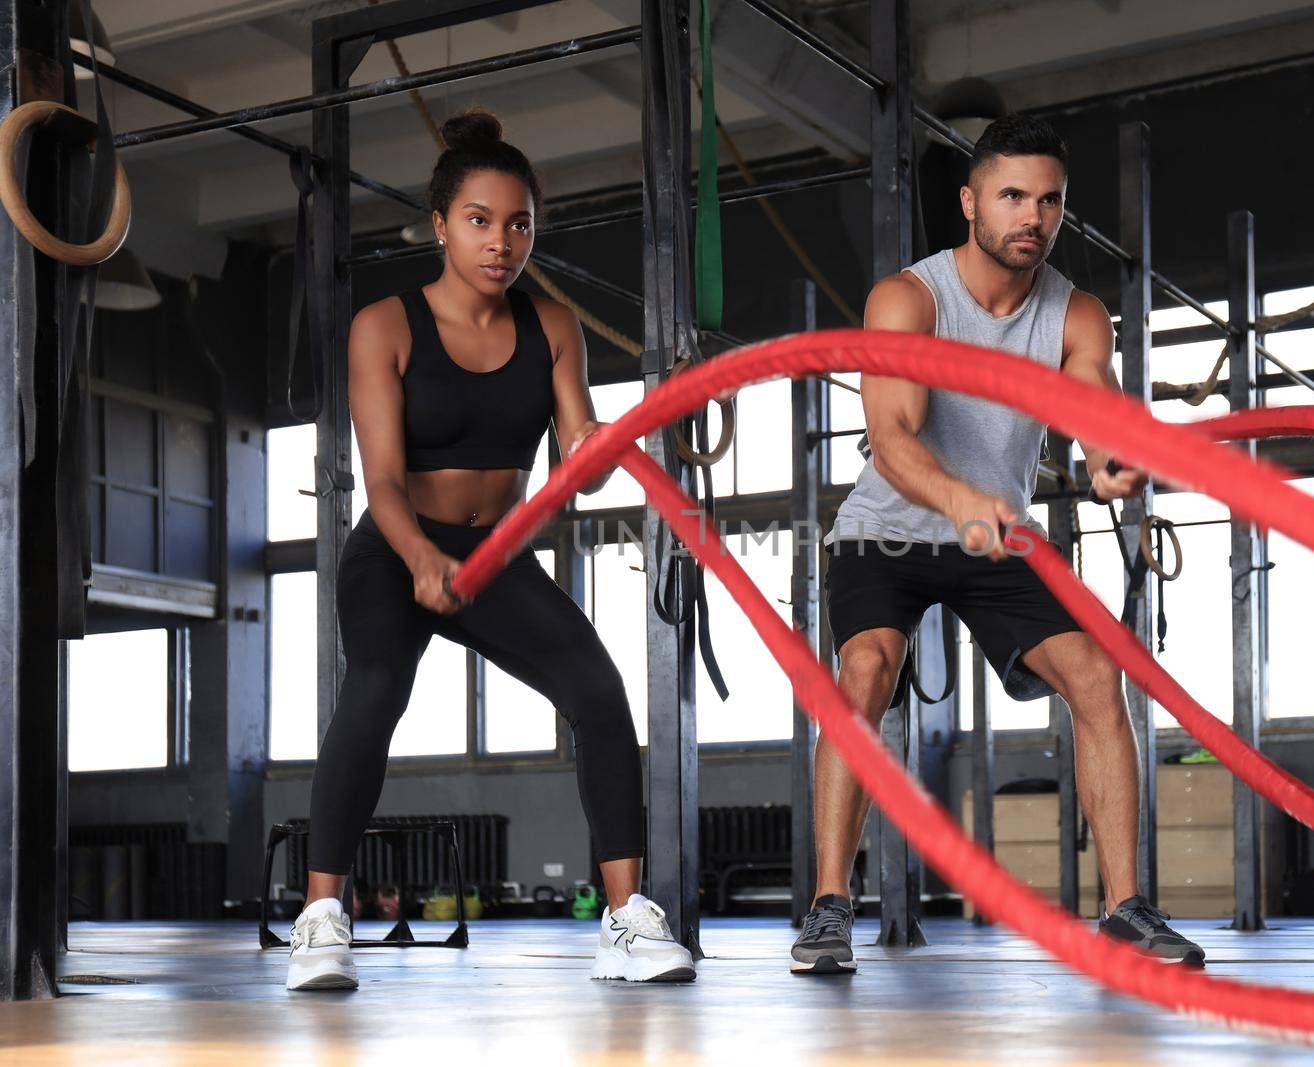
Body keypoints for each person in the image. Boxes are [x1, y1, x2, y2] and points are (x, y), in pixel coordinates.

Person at [288, 108, 693, 991]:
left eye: (520, 224)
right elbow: (383, 483)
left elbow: (577, 461)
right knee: (376, 688)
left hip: (498, 552)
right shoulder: (384, 326)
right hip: (397, 550)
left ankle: (626, 918)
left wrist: (597, 447)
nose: (501, 242)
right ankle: (321, 917)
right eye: (479, 221)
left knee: (598, 689)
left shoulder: (553, 327)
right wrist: (422, 560)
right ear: (440, 224)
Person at [790, 113, 1205, 974]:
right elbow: (895, 438)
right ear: (972, 201)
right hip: (891, 529)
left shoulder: (1075, 311)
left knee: (1098, 673)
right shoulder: (909, 298)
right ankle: (831, 904)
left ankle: (1126, 909)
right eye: (1014, 196)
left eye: (1050, 201)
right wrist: (960, 499)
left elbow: (1094, 398)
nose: (1033, 217)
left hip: (997, 537)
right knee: (865, 669)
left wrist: (1112, 457)